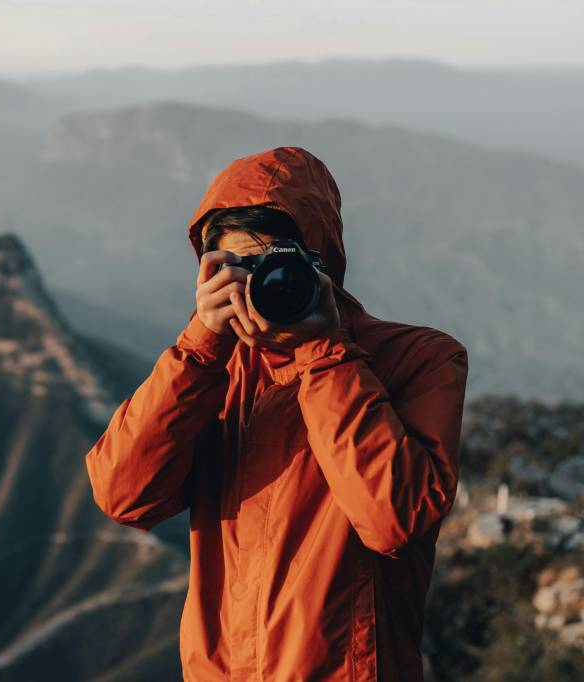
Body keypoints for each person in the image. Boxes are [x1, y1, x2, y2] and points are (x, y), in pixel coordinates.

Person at [84, 146, 470, 681]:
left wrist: (323, 353)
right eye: (239, 266)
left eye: (278, 263)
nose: (266, 283)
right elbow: (124, 495)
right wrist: (199, 349)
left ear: (321, 261)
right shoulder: (214, 371)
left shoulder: (420, 358)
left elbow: (393, 522)